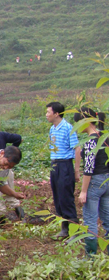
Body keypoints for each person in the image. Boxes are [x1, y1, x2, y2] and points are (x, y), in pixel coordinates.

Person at [74, 107, 109, 255]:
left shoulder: (90, 142)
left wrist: (83, 191)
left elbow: (88, 168)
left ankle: (91, 257)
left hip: (95, 182)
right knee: (107, 218)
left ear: (84, 122)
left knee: (90, 220)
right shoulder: (105, 137)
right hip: (106, 181)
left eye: (77, 123)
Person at [46, 102, 80, 238]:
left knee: (66, 197)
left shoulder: (68, 128)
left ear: (56, 114)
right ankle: (64, 228)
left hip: (65, 165)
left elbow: (77, 149)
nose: (46, 115)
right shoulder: (52, 129)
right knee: (58, 197)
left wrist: (76, 171)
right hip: (54, 164)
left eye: (48, 112)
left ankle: (74, 229)